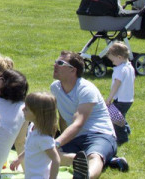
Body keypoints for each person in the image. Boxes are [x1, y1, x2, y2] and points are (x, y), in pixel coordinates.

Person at [50, 51, 124, 179]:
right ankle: (103, 161)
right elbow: (62, 117)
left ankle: (86, 176)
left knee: (94, 155)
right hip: (75, 137)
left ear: (73, 70)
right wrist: (58, 142)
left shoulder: (86, 89)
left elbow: (78, 123)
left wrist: (56, 143)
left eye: (60, 63)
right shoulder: (55, 88)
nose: (55, 65)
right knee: (49, 155)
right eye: (56, 62)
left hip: (99, 134)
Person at [9, 92, 60, 179]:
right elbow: (30, 148)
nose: (22, 109)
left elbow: (56, 160)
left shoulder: (43, 138)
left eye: (26, 109)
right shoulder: (32, 126)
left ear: (37, 114)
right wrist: (19, 158)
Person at [105, 42, 135, 145]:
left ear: (119, 57)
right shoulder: (130, 67)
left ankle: (122, 138)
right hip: (129, 99)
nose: (113, 63)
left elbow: (117, 84)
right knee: (121, 115)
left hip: (121, 99)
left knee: (116, 119)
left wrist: (109, 98)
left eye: (113, 61)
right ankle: (127, 130)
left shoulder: (120, 69)